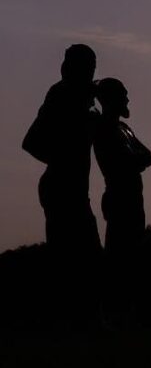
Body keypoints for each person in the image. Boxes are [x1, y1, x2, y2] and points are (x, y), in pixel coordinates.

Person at [23, 44, 101, 258]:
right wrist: (64, 163)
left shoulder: (82, 97)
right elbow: (30, 142)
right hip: (62, 189)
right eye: (88, 66)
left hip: (74, 190)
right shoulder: (62, 94)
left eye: (93, 66)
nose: (92, 71)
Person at [93, 78, 151, 254]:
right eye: (123, 95)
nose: (127, 100)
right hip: (118, 197)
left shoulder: (123, 128)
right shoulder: (103, 129)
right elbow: (126, 162)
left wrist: (135, 160)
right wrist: (135, 160)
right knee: (120, 249)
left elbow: (148, 156)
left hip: (134, 199)